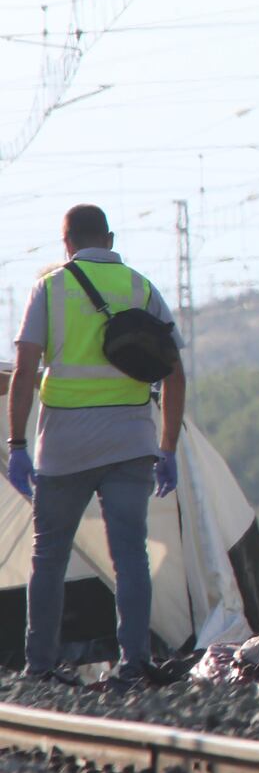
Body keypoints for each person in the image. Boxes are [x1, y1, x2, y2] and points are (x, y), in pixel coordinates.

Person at [7, 204, 187, 686]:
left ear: (66, 242)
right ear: (109, 237)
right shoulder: (141, 287)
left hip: (64, 446)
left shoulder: (50, 288)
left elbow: (24, 371)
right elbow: (175, 374)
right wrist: (167, 448)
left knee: (48, 556)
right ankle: (135, 662)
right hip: (131, 442)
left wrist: (17, 443)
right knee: (131, 556)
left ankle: (40, 666)